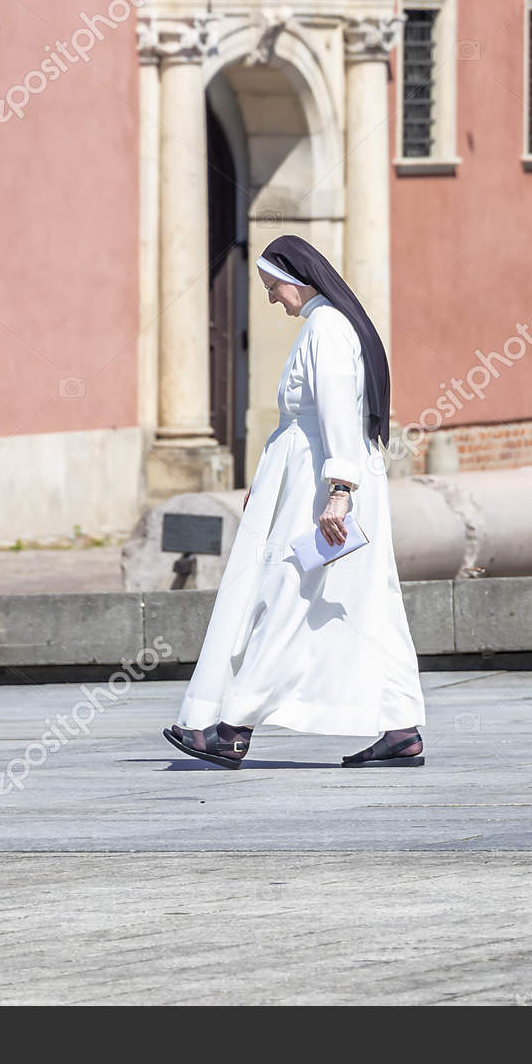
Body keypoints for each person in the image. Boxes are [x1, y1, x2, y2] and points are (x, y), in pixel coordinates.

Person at [163, 235, 426, 770]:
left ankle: (233, 729)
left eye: (272, 287)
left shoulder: (325, 327)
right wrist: (271, 480)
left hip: (321, 486)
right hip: (314, 478)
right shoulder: (328, 325)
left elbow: (336, 414)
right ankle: (400, 729)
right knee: (371, 602)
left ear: (297, 280)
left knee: (286, 593)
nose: (270, 298)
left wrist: (339, 492)